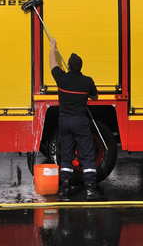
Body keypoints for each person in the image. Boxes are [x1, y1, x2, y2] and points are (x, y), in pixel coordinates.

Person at [49, 36, 100, 201]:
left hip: (64, 121)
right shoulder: (87, 81)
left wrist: (53, 46)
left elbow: (52, 63)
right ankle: (90, 189)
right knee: (87, 154)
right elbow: (95, 98)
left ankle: (65, 189)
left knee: (66, 154)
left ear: (69, 66)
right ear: (81, 67)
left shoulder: (62, 78)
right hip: (80, 121)